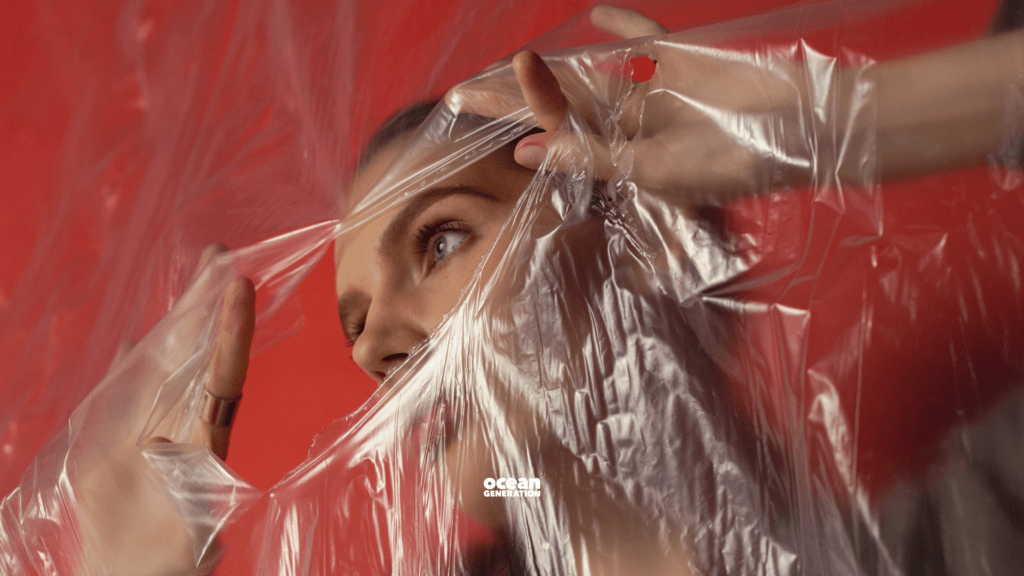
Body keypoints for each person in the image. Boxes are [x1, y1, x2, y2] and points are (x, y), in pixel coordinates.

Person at [6, 3, 1024, 576]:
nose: (377, 356)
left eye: (440, 241)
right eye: (354, 327)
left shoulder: (970, 539)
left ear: (648, 244)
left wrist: (832, 119)